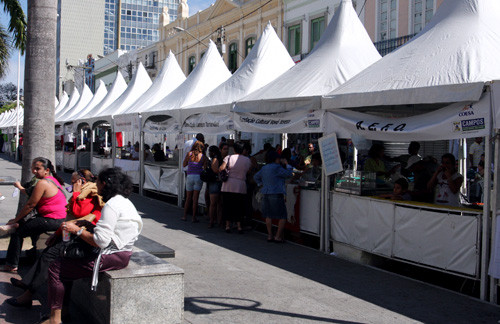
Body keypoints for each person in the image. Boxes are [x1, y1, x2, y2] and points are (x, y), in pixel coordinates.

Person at [43, 167, 142, 324]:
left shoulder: (112, 205)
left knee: (56, 268)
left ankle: (54, 319)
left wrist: (77, 229)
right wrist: (87, 225)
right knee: (65, 266)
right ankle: (64, 311)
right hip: (122, 254)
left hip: (111, 256)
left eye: (97, 182)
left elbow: (101, 241)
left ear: (104, 184)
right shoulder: (123, 201)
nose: (95, 186)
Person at [7, 169, 104, 309]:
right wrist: (56, 234)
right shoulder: (84, 192)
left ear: (81, 181)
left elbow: (78, 213)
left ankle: (29, 293)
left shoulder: (89, 193)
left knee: (50, 257)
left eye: (73, 182)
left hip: (84, 237)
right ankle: (28, 284)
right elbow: (70, 218)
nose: (71, 185)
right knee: (48, 253)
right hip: (73, 232)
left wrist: (76, 192)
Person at [0, 157, 66, 273]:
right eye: (33, 168)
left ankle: (11, 264)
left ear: (46, 170)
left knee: (17, 232)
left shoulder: (42, 183)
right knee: (29, 226)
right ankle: (33, 252)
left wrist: (16, 220)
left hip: (52, 219)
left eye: (37, 169)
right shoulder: (53, 180)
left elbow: (30, 205)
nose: (34, 171)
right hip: (55, 218)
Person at [254, 150, 293, 243]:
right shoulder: (277, 167)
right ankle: (278, 236)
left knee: (268, 215)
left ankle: (270, 235)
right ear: (276, 159)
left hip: (266, 193)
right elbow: (288, 174)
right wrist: (287, 164)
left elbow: (256, 177)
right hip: (276, 192)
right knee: (282, 216)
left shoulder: (264, 168)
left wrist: (261, 184)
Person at [220, 141, 252, 234]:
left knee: (227, 206)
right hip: (241, 186)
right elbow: (249, 171)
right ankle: (239, 226)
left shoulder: (228, 157)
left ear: (233, 149)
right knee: (239, 207)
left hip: (228, 185)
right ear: (243, 150)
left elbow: (221, 168)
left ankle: (227, 226)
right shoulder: (247, 160)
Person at [182, 141, 207, 223]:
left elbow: (184, 164)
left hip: (189, 176)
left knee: (188, 198)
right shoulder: (203, 156)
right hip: (198, 177)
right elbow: (205, 168)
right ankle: (193, 217)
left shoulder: (189, 154)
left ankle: (185, 216)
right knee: (195, 199)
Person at [207, 146, 223, 228]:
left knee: (213, 204)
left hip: (214, 182)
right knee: (219, 204)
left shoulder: (215, 159)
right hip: (219, 182)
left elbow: (215, 169)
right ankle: (219, 221)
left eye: (210, 151)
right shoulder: (220, 158)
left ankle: (211, 221)